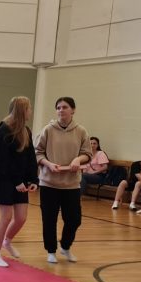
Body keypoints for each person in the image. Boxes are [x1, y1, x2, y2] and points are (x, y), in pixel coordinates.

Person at [34, 96, 92, 264]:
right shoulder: (48, 130)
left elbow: (87, 154)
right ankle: (51, 251)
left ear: (73, 110)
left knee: (74, 220)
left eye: (65, 107)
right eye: (58, 107)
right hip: (49, 183)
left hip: (71, 184)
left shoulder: (81, 131)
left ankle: (65, 246)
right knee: (49, 219)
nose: (61, 110)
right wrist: (48, 164)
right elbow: (37, 153)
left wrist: (78, 160)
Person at [0, 96, 38, 268]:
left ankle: (7, 241)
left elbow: (30, 157)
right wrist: (17, 181)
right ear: (22, 111)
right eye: (29, 109)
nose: (30, 112)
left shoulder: (25, 131)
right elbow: (3, 161)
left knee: (21, 218)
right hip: (5, 180)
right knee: (6, 217)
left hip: (21, 180)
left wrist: (33, 179)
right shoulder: (3, 131)